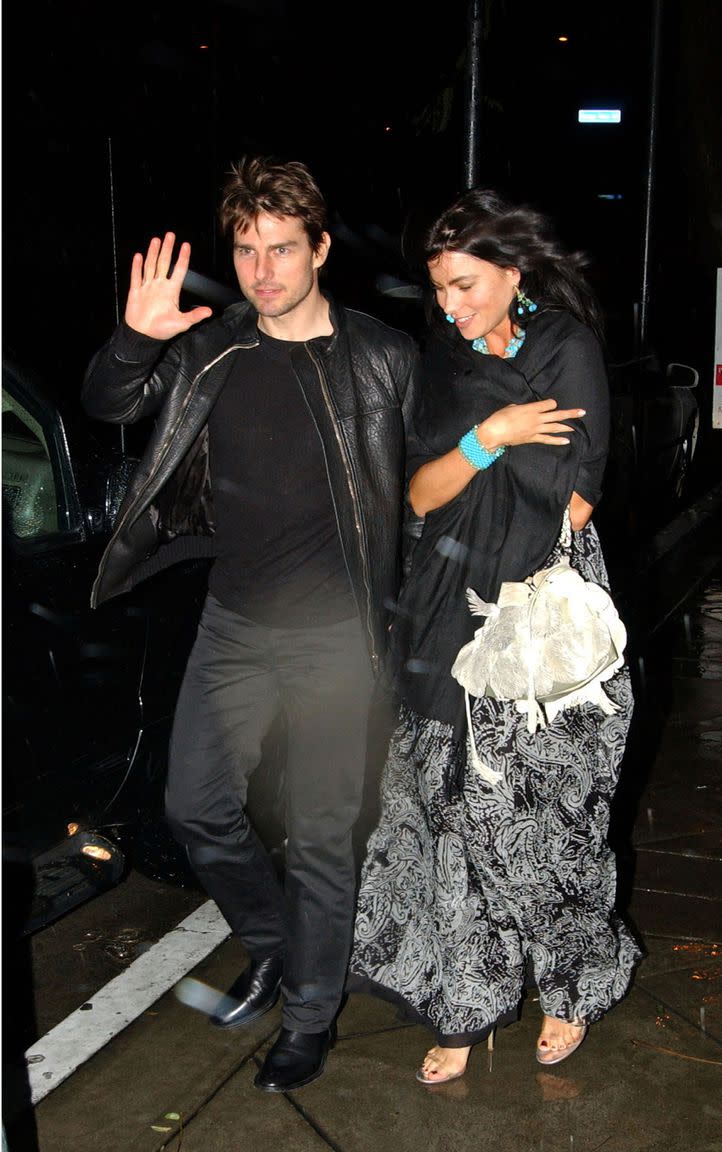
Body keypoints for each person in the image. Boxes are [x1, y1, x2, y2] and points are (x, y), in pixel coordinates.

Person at [81, 155, 419, 1092]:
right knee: (194, 807)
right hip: (235, 624)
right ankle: (273, 941)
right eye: (245, 251)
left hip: (336, 644)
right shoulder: (210, 348)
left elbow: (422, 496)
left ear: (319, 247)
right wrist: (132, 340)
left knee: (320, 833)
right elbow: (110, 403)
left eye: (282, 248)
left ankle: (311, 1015)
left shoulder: (383, 359)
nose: (264, 270)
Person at [349, 188, 642, 1084]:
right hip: (441, 605)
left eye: (467, 285)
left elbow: (580, 494)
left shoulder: (565, 347)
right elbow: (418, 493)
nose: (451, 306)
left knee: (543, 818)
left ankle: (569, 984)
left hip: (535, 613)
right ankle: (463, 1001)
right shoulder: (438, 366)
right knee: (445, 815)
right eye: (440, 288)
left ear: (513, 274)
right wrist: (493, 435)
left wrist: (502, 523)